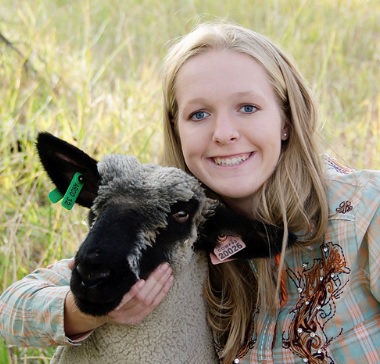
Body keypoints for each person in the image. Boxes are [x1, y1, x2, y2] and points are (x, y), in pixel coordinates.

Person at [1, 21, 379, 364]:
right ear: (177, 129)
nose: (223, 133)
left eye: (248, 107)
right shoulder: (177, 219)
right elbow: (12, 309)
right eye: (199, 114)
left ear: (285, 119)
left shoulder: (365, 210)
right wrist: (87, 308)